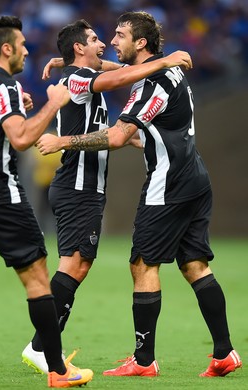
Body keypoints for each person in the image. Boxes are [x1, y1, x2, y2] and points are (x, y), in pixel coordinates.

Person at [35, 11, 242, 378]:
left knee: (142, 264)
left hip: (168, 184)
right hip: (195, 177)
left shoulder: (151, 85)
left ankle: (143, 361)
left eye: (119, 34)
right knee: (195, 266)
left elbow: (116, 136)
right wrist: (68, 62)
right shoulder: (170, 71)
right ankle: (224, 353)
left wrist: (62, 141)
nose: (112, 41)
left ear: (141, 42)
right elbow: (122, 74)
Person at [21, 18, 193, 374]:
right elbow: (114, 78)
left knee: (78, 264)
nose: (104, 44)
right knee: (73, 265)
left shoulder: (77, 72)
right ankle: (40, 346)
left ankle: (42, 344)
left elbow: (116, 68)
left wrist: (64, 61)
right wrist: (162, 61)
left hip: (84, 186)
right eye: (96, 39)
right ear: (79, 48)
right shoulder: (78, 79)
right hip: (77, 186)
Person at [0, 15, 93, 389]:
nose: (28, 50)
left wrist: (14, 110)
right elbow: (21, 139)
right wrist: (53, 104)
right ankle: (58, 372)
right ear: (7, 49)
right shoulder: (5, 86)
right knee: (39, 279)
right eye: (23, 45)